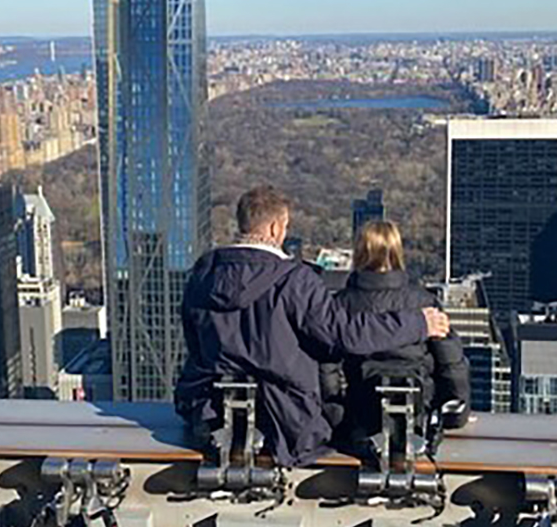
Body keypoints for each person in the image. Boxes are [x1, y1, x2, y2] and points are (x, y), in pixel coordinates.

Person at [176, 186, 450, 467]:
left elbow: (195, 345)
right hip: (284, 425)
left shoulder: (203, 275)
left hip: (210, 421)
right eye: (285, 226)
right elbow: (343, 335)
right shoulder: (295, 280)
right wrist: (418, 323)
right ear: (274, 228)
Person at [331, 220, 471, 448]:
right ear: (397, 252)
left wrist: (336, 418)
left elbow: (327, 369)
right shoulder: (424, 302)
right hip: (418, 419)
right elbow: (451, 364)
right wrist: (454, 415)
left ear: (359, 253)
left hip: (360, 419)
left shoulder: (340, 305)